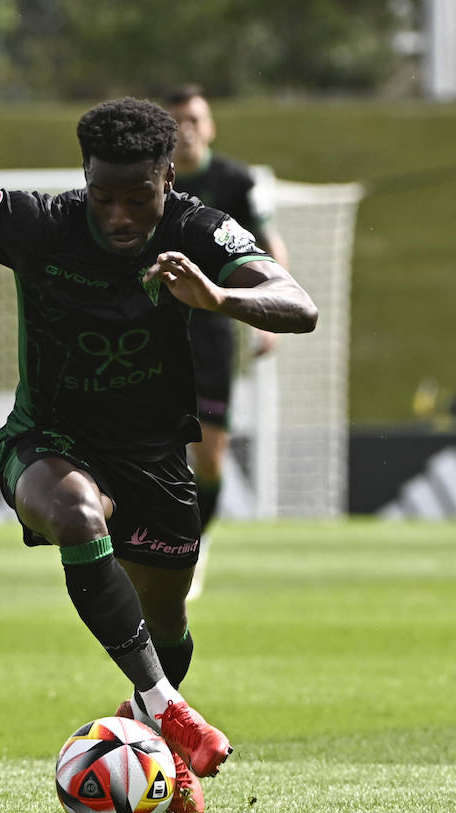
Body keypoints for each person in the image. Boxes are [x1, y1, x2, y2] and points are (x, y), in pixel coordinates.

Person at [0, 97, 317, 813]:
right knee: (76, 512)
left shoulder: (200, 227)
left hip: (155, 454)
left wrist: (220, 296)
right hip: (47, 438)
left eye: (138, 198)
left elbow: (298, 303)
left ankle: (149, 725)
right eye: (104, 197)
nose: (120, 216)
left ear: (168, 179)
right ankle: (168, 707)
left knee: (164, 619)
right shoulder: (39, 222)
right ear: (85, 179)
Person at [164, 85, 291, 599]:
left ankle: (198, 543)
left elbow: (269, 245)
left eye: (194, 117)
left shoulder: (236, 180)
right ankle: (157, 549)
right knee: (152, 448)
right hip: (150, 329)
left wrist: (268, 312)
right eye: (176, 120)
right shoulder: (147, 180)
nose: (186, 128)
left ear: (210, 125)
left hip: (212, 333)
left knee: (209, 456)